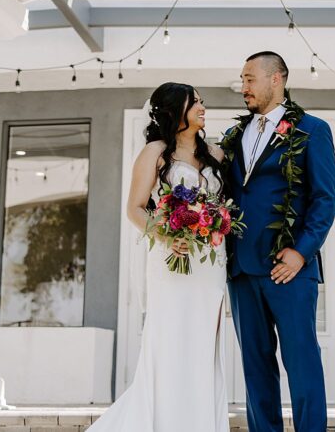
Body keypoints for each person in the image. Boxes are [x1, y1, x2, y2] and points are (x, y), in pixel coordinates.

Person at [87, 82, 229, 432]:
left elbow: (225, 206)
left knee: (202, 346)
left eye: (201, 100)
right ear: (172, 111)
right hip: (171, 261)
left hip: (209, 264)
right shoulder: (154, 152)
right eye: (193, 101)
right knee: (169, 342)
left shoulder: (217, 154)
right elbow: (134, 209)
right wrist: (167, 235)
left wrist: (216, 220)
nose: (202, 105)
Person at [222, 51, 335, 432]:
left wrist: (302, 252)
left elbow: (325, 198)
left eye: (250, 78)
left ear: (278, 79)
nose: (243, 88)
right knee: (255, 368)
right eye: (242, 79)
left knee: (302, 362)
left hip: (288, 268)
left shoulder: (312, 129)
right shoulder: (236, 134)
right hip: (241, 268)